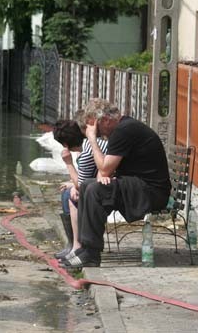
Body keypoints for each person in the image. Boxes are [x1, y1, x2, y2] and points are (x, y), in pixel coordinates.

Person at [63, 98, 170, 268]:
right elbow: (106, 170)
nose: (98, 133)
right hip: (138, 186)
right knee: (88, 186)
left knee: (95, 191)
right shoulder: (123, 128)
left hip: (150, 192)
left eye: (97, 129)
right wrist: (104, 175)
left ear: (104, 120)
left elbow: (104, 169)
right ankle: (85, 248)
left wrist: (92, 139)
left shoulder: (124, 130)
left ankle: (91, 254)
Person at [52, 115, 107, 262]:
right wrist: (74, 184)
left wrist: (68, 163)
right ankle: (73, 244)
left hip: (104, 190)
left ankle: (77, 246)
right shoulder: (92, 144)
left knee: (70, 196)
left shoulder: (86, 153)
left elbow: (81, 185)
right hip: (102, 184)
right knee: (67, 192)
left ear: (65, 143)